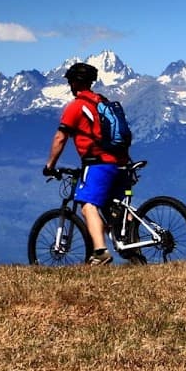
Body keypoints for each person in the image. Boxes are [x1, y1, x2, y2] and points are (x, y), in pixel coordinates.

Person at [42, 61, 129, 265]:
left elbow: (60, 138)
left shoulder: (76, 106)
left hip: (98, 164)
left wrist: (50, 166)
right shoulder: (102, 102)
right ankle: (133, 249)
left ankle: (100, 252)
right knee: (115, 209)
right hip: (121, 162)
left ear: (74, 83)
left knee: (88, 206)